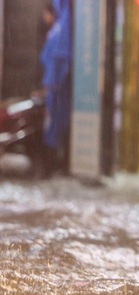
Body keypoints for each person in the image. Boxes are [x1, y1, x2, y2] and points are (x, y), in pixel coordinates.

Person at [39, 0, 72, 177]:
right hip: (55, 87)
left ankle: (51, 167)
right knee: (56, 127)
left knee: (53, 128)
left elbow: (55, 58)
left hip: (56, 88)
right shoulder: (60, 28)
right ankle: (54, 166)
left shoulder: (59, 30)